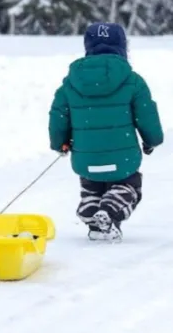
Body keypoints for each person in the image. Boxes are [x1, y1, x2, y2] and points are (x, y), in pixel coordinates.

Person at [48, 22, 164, 241]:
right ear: (122, 48)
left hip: (85, 158)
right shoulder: (133, 81)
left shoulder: (70, 83)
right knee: (129, 187)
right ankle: (110, 210)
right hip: (123, 158)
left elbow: (58, 116)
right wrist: (152, 140)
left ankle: (91, 211)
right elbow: (147, 115)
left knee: (92, 183)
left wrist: (59, 143)